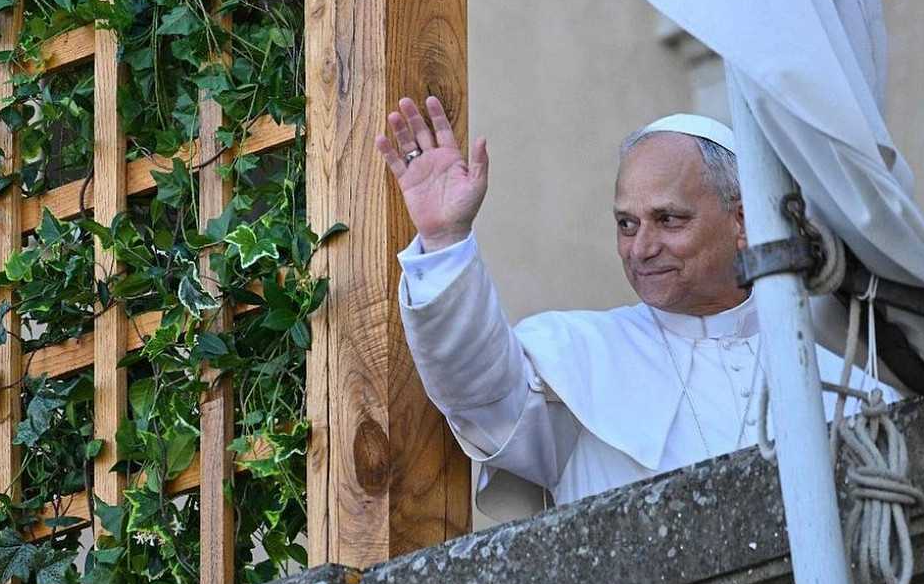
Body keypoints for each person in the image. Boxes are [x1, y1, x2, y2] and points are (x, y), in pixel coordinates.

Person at [374, 96, 892, 521]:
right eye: (627, 224)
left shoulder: (839, 367)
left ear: (743, 222)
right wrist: (444, 242)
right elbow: (477, 388)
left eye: (668, 220)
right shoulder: (579, 356)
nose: (641, 248)